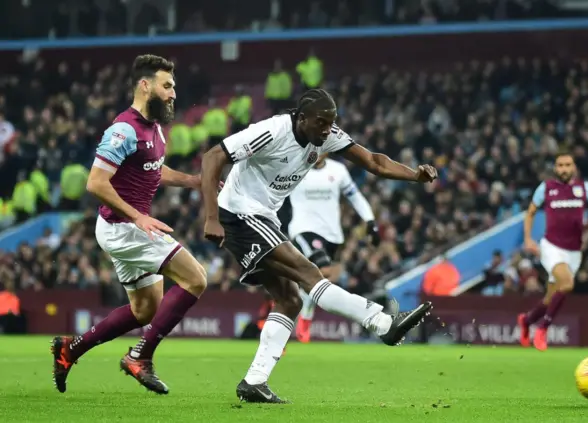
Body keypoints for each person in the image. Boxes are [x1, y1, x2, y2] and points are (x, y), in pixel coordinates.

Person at [201, 88, 438, 403]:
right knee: (308, 271)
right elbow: (213, 156)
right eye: (321, 122)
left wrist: (414, 176)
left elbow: (375, 162)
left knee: (289, 300)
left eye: (331, 123)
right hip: (238, 213)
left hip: (263, 217)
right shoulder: (272, 130)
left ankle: (254, 382)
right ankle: (381, 323)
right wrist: (211, 217)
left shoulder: (325, 135)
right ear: (301, 119)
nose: (327, 130)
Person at [51, 54, 208, 395]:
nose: (173, 94)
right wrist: (137, 215)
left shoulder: (155, 131)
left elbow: (154, 171)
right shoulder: (123, 129)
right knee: (196, 278)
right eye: (167, 86)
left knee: (144, 309)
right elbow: (95, 183)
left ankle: (70, 350)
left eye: (174, 87)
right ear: (145, 85)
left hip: (125, 227)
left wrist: (194, 181)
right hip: (126, 227)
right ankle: (141, 357)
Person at [518, 151, 588, 351]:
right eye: (560, 165)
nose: (563, 169)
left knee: (551, 297)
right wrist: (528, 238)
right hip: (551, 247)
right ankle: (543, 328)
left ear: (574, 167)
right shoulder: (546, 188)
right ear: (555, 168)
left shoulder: (585, 188)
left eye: (567, 165)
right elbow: (530, 213)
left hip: (574, 251)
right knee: (567, 283)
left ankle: (526, 320)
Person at [288, 153, 379, 343]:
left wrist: (370, 220)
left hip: (332, 236)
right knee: (323, 268)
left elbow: (355, 196)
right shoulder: (294, 167)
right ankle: (301, 315)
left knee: (316, 278)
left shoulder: (338, 171)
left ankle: (303, 311)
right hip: (303, 229)